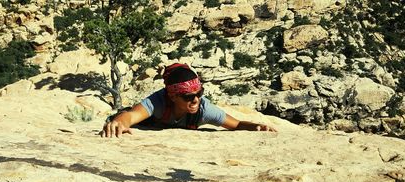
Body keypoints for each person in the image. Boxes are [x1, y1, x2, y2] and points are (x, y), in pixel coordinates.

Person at [100, 63, 277, 138]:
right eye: (188, 97)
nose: (195, 100)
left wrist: (255, 127)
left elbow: (236, 125)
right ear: (172, 96)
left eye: (199, 93)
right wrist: (118, 123)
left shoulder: (204, 109)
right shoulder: (158, 102)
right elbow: (130, 116)